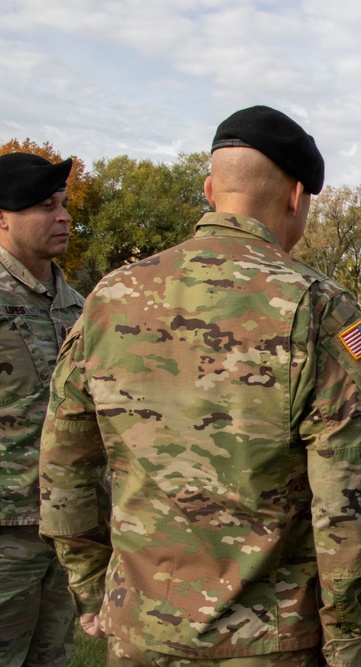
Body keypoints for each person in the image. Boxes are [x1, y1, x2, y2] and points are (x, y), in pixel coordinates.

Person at [38, 105, 361, 666]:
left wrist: (92, 588)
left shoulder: (109, 298)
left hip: (140, 630)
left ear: (209, 189)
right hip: (271, 639)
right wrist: (345, 636)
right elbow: (348, 507)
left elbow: (64, 467)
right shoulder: (320, 308)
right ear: (296, 196)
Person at [0, 152, 83, 667]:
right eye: (45, 206)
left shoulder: (77, 305)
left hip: (64, 526)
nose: (63, 217)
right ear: (2, 218)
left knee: (51, 656)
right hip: (5, 532)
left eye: (64, 204)